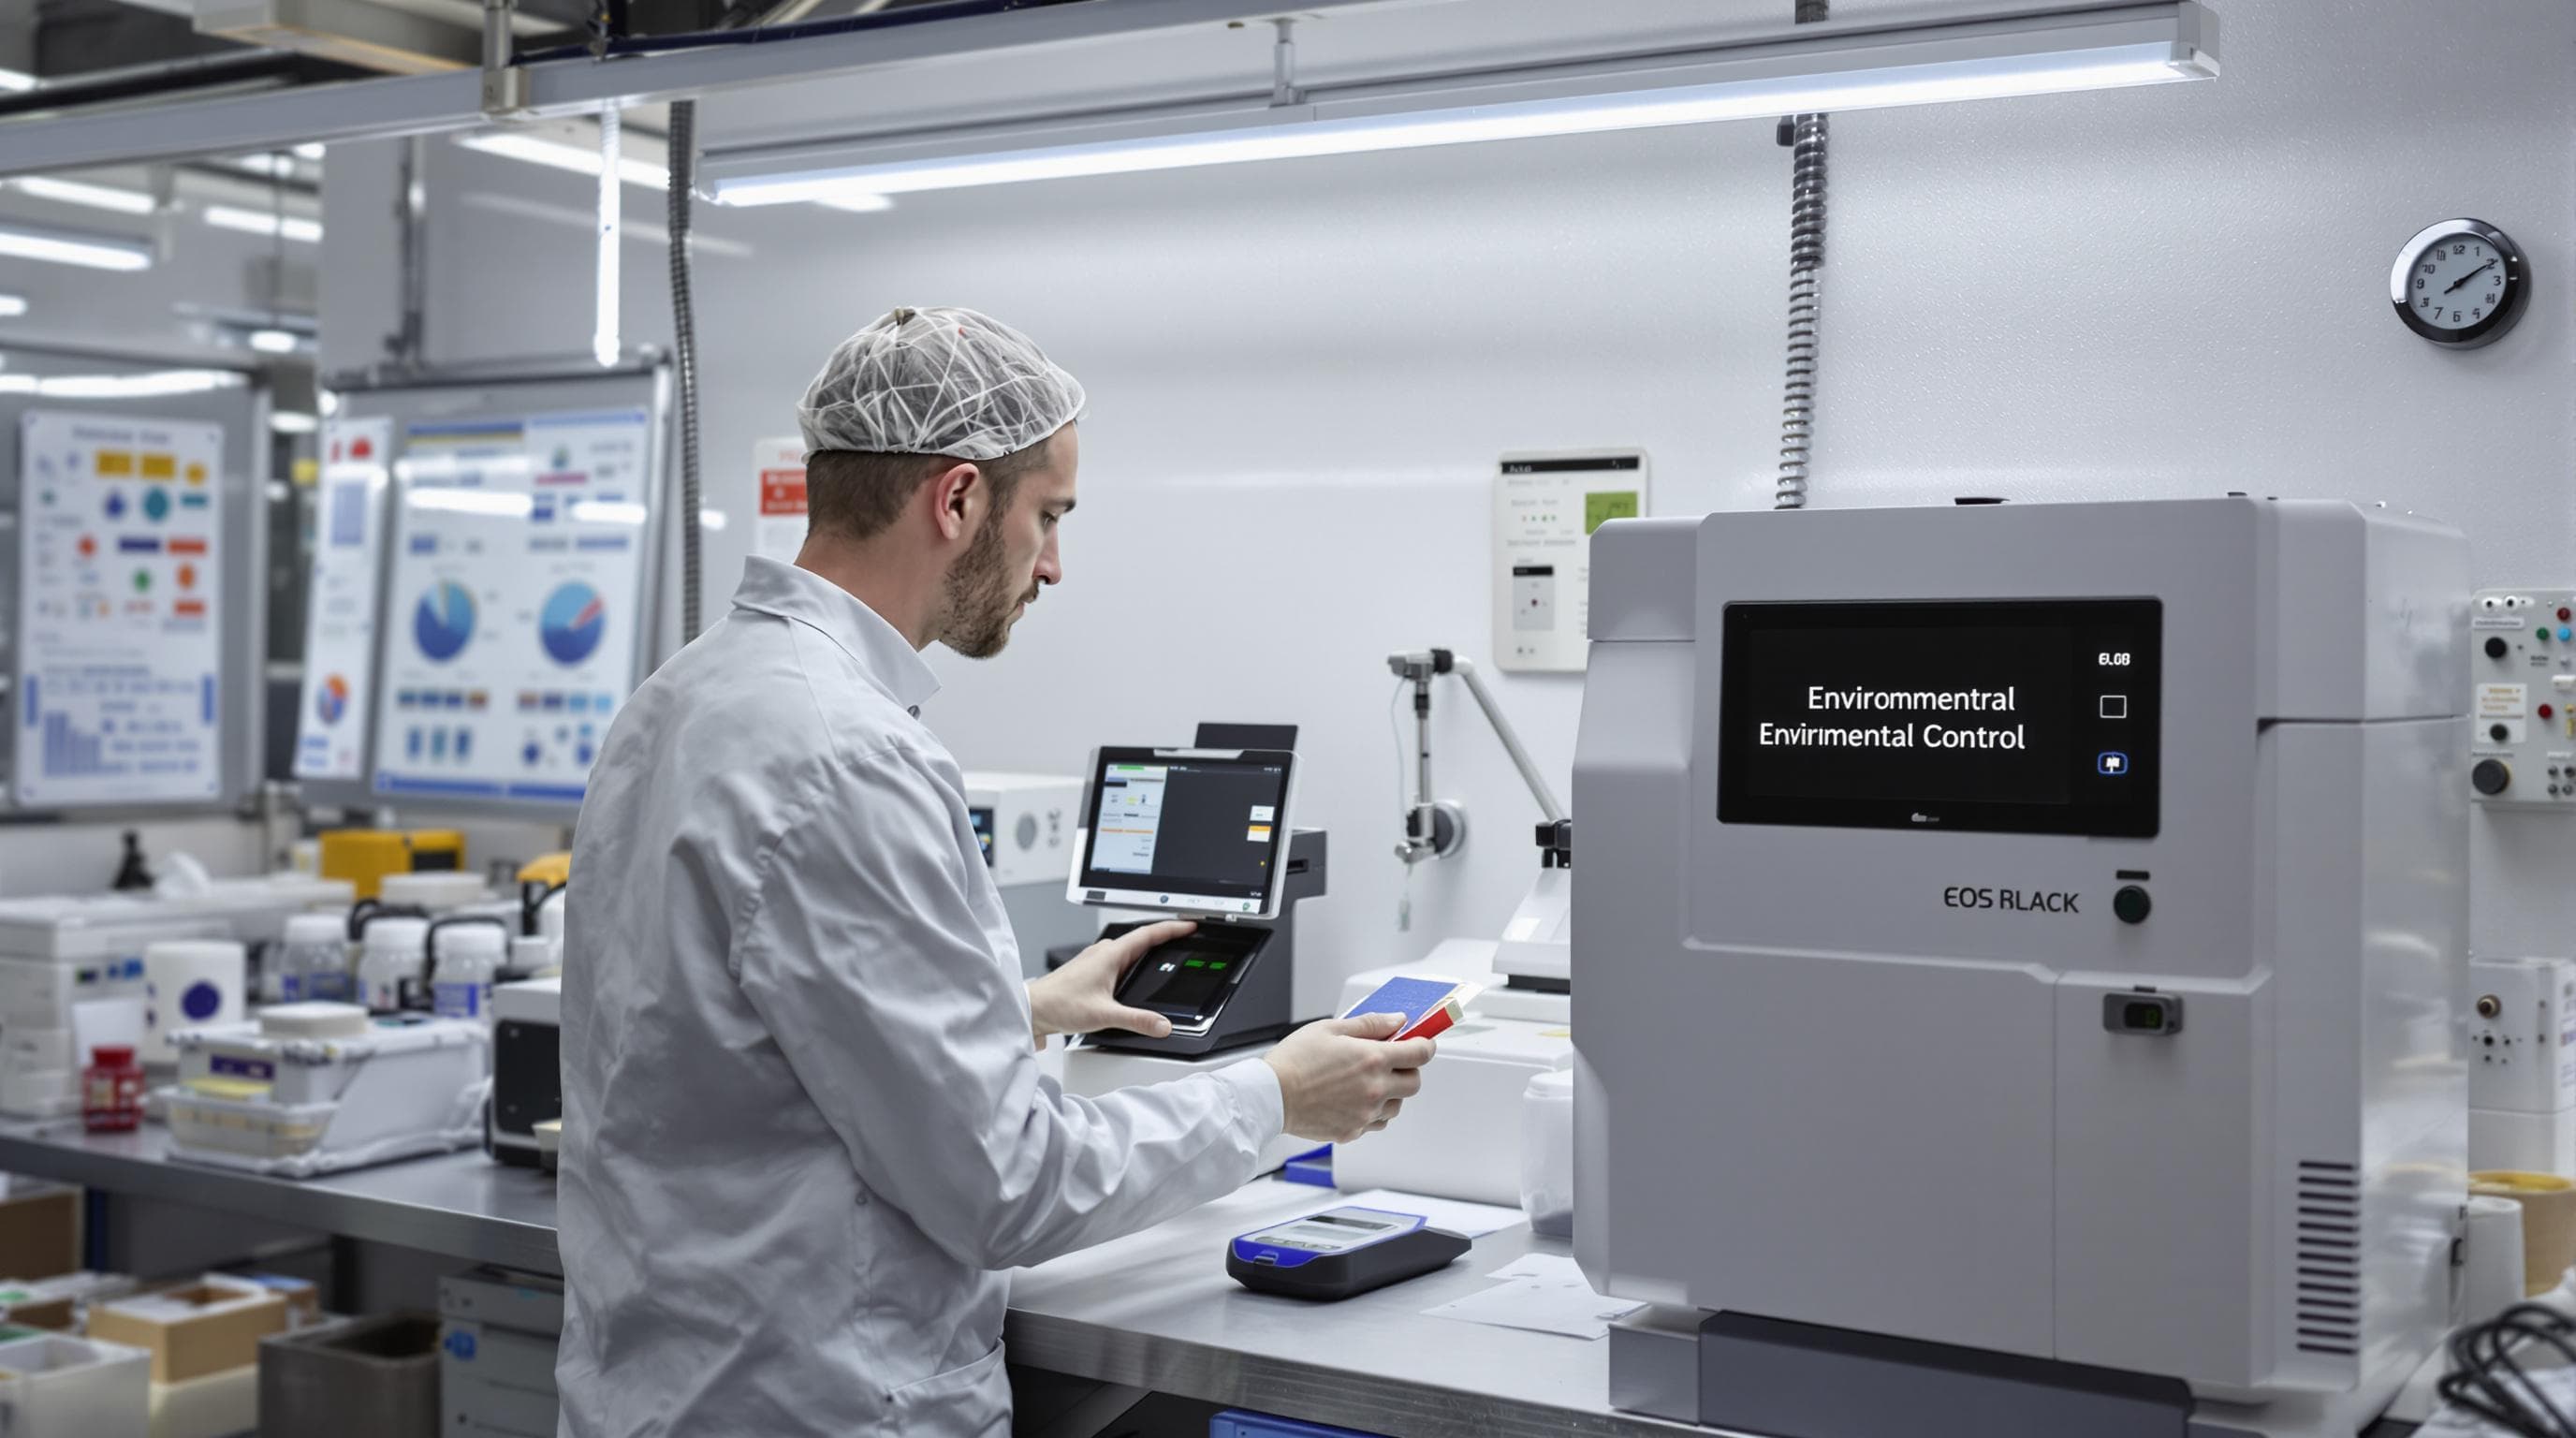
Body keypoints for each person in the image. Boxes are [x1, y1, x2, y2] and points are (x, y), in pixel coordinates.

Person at [556, 306, 1435, 1437]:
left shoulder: (681, 697)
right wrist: (1276, 1096)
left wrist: (1022, 1010)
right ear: (959, 499)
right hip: (817, 1402)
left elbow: (721, 1031)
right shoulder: (848, 752)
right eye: (1049, 516)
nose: (1053, 565)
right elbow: (1006, 1187)